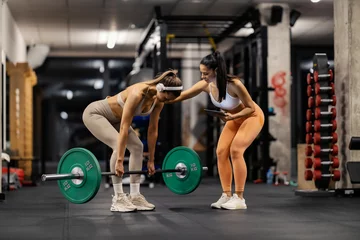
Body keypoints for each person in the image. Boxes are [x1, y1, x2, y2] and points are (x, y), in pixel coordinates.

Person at [165, 51, 264, 210]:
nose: (203, 76)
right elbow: (182, 96)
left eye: (206, 73)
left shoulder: (234, 85)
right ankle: (226, 195)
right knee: (221, 151)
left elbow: (251, 108)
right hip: (233, 118)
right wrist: (162, 99)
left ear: (216, 71)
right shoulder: (206, 85)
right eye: (201, 72)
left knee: (236, 150)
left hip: (251, 117)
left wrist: (232, 117)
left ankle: (239, 197)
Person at [82, 69, 183, 212]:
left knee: (137, 147)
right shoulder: (137, 93)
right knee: (118, 146)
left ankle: (135, 196)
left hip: (116, 120)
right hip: (95, 114)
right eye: (167, 98)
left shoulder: (159, 101)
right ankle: (118, 198)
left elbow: (153, 130)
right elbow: (124, 127)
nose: (166, 101)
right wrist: (119, 161)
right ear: (160, 88)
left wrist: (151, 160)